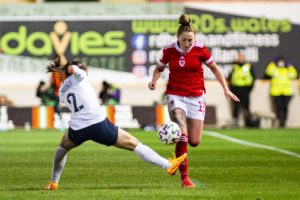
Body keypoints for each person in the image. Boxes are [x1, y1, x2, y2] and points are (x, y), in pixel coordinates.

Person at [44, 57, 187, 190]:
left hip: (78, 128)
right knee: (134, 144)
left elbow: (70, 87)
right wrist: (76, 70)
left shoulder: (62, 90)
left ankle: (54, 182)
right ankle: (168, 165)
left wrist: (72, 72)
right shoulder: (79, 76)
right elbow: (80, 74)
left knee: (61, 149)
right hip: (97, 123)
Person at [148, 14, 240, 188]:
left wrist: (225, 88)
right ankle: (185, 179)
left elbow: (215, 69)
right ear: (178, 38)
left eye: (191, 40)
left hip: (196, 96)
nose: (188, 43)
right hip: (176, 95)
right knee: (183, 134)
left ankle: (178, 158)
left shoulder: (200, 49)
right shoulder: (169, 50)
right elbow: (159, 68)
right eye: (185, 40)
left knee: (194, 141)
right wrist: (154, 79)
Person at [265, 55, 297, 127]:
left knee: (285, 107)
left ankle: (284, 121)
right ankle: (279, 120)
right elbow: (268, 71)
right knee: (278, 107)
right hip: (276, 92)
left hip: (286, 92)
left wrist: (289, 66)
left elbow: (294, 74)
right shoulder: (275, 69)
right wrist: (272, 63)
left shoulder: (287, 70)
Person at [228, 52, 255, 127]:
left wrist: (249, 89)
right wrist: (231, 90)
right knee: (236, 107)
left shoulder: (248, 66)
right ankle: (235, 121)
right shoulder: (234, 66)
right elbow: (230, 78)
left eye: (241, 57)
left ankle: (248, 121)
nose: (240, 58)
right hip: (236, 90)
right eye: (239, 57)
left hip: (245, 90)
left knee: (246, 106)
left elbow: (253, 78)